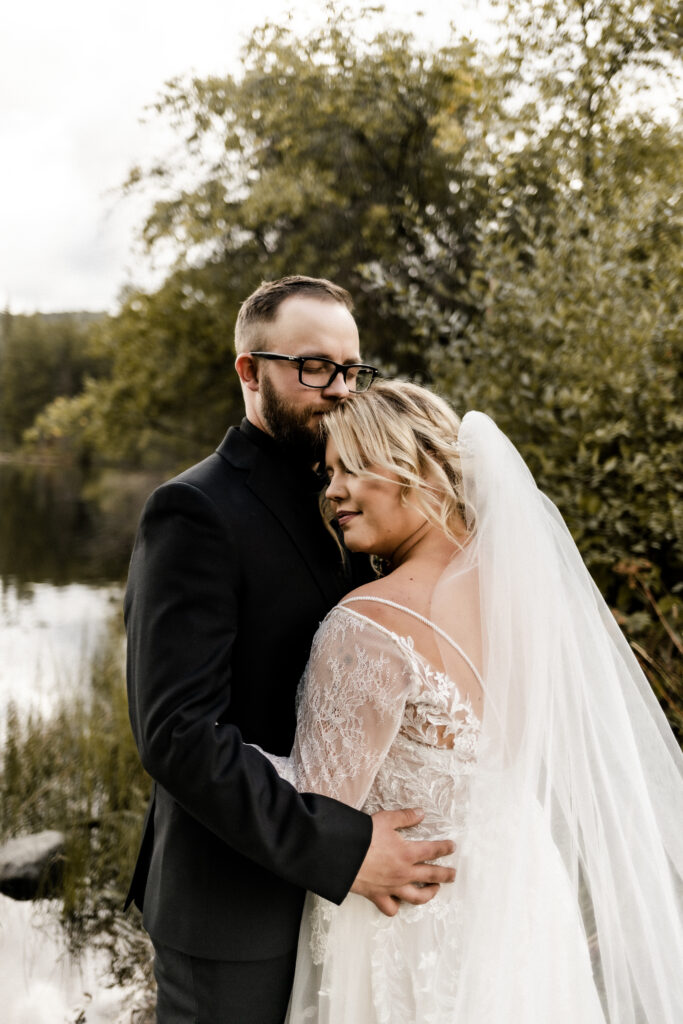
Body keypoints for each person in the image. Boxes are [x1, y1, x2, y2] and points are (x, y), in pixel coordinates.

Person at [258, 379, 683, 1024]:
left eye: (353, 468)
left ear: (419, 470)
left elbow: (320, 809)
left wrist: (224, 756)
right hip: (523, 908)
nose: (332, 492)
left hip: (408, 923)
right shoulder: (532, 601)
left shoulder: (367, 625)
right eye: (329, 473)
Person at [123, 278, 455, 1024]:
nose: (338, 388)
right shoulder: (195, 511)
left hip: (378, 923)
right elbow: (177, 734)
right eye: (313, 367)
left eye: (350, 368)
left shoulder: (365, 500)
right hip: (236, 907)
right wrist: (343, 850)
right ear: (249, 370)